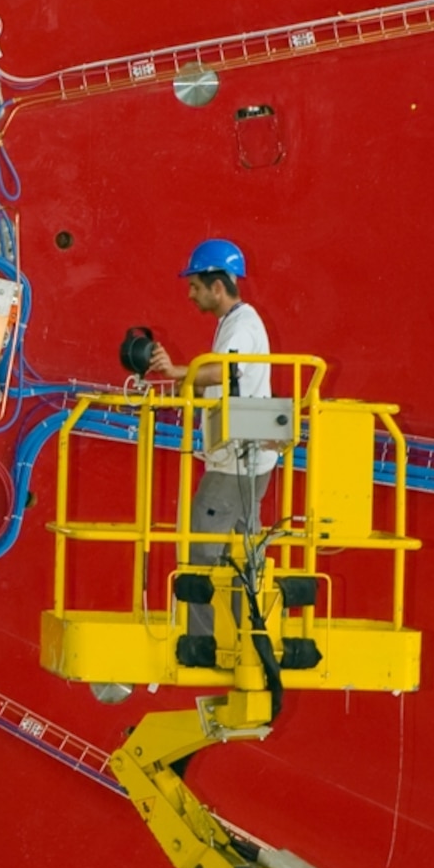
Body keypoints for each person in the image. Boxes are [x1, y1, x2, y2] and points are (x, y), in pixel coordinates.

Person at [146, 238, 273, 668]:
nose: (190, 293)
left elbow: (225, 371)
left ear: (217, 287)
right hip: (247, 457)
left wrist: (178, 371)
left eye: (196, 286)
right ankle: (250, 640)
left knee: (202, 546)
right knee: (244, 551)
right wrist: (177, 379)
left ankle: (203, 645)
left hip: (235, 460)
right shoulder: (238, 324)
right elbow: (219, 378)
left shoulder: (241, 326)